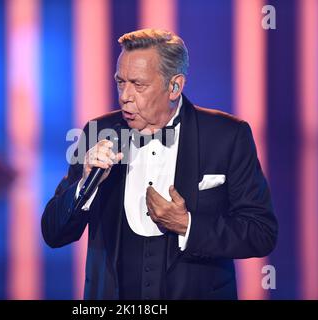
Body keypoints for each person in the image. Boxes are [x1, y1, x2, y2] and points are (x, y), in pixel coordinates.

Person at [41, 29, 278, 300]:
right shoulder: (98, 131)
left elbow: (262, 233)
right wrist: (85, 184)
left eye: (138, 84)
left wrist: (187, 225)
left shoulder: (226, 136)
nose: (124, 96)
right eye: (120, 83)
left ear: (174, 86)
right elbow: (53, 233)